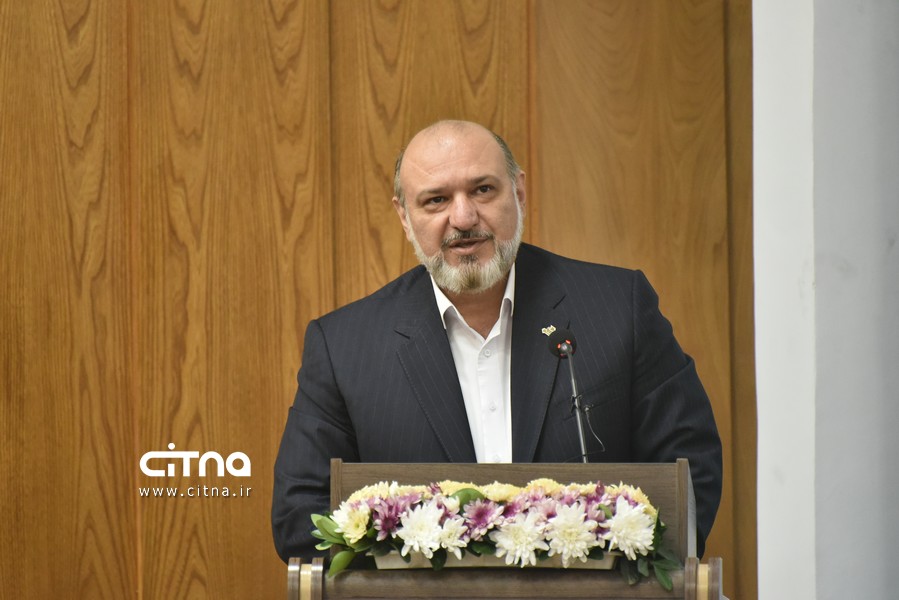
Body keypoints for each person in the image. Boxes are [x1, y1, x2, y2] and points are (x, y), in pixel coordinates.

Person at [272, 120, 722, 563]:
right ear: (405, 217)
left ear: (518, 193)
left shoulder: (617, 308)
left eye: (483, 190)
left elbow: (690, 469)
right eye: (436, 200)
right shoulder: (344, 347)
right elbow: (300, 515)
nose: (463, 218)